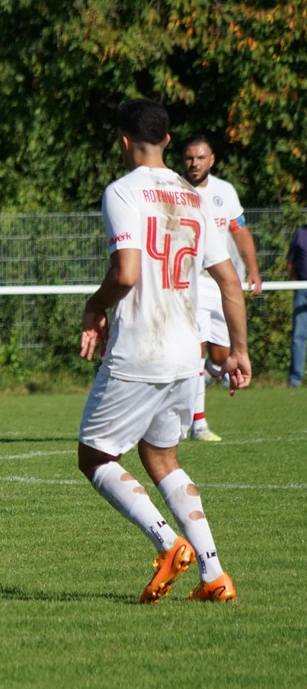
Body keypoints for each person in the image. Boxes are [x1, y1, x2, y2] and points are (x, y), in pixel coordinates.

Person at [78, 99, 250, 604]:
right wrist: (238, 350)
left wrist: (94, 306)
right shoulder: (194, 197)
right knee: (161, 456)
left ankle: (167, 543)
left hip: (141, 347)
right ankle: (214, 575)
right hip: (185, 353)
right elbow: (229, 280)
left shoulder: (123, 191)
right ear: (169, 141)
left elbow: (127, 272)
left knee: (95, 455)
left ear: (124, 142)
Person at [181, 134, 262, 441]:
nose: (194, 163)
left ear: (211, 160)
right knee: (196, 349)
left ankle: (197, 382)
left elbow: (239, 231)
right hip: (193, 282)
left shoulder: (224, 191)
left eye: (200, 157)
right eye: (189, 157)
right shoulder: (177, 190)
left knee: (221, 355)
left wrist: (253, 269)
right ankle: (198, 424)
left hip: (224, 283)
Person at [287, 223, 307, 386]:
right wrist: (297, 283)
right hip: (302, 288)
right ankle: (295, 379)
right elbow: (290, 262)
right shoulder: (300, 233)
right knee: (298, 335)